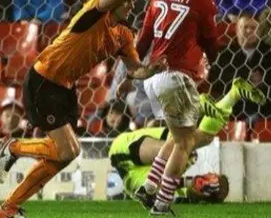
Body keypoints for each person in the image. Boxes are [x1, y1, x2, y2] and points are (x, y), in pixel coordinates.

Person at [0, 0, 179, 218]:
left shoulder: (123, 35)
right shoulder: (95, 11)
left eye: (133, 0)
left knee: (66, 154)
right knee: (65, 150)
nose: (131, 3)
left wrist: (150, 70)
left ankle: (8, 208)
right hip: (44, 78)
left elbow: (134, 70)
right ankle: (14, 147)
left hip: (65, 88)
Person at [131, 0, 225, 214]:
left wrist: (135, 71)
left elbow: (142, 43)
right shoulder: (202, 0)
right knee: (186, 142)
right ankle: (161, 204)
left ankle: (148, 188)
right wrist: (209, 58)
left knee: (176, 137)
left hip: (155, 78)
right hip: (177, 78)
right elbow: (211, 44)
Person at [109, 78, 263, 203]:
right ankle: (202, 107)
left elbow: (180, 187)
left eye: (206, 188)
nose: (203, 184)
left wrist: (199, 191)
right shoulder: (184, 166)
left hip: (124, 158)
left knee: (199, 141)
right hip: (129, 149)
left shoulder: (178, 188)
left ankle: (232, 95)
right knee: (186, 146)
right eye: (207, 183)